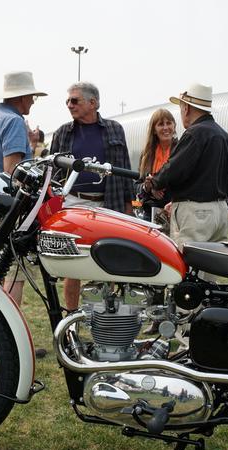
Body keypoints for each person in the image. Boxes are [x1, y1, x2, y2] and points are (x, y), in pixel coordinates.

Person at [50, 81, 134, 311]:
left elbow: (124, 168)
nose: (69, 105)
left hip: (108, 203)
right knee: (72, 262)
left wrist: (128, 206)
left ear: (93, 103)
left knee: (108, 259)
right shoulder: (62, 133)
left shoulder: (115, 129)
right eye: (67, 101)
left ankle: (105, 314)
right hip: (72, 203)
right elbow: (52, 174)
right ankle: (71, 316)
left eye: (74, 100)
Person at [0, 70, 47, 305]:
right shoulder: (14, 120)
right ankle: (9, 324)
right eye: (32, 97)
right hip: (13, 210)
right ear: (21, 97)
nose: (32, 102)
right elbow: (13, 171)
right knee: (15, 272)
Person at [144, 82, 228, 251]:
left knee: (187, 261)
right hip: (221, 211)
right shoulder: (226, 137)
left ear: (186, 108)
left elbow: (174, 169)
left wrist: (154, 181)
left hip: (196, 213)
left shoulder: (194, 133)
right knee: (211, 263)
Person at [138, 108, 178, 225]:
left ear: (174, 126)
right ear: (154, 130)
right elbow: (137, 184)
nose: (165, 127)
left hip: (174, 212)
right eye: (160, 124)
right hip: (149, 213)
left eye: (169, 123)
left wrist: (158, 184)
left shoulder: (181, 150)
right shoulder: (146, 154)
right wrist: (148, 188)